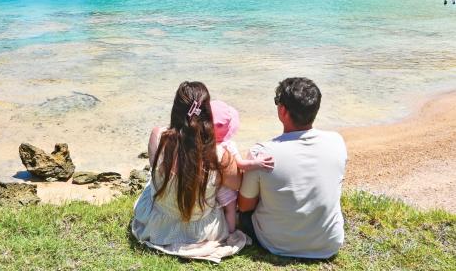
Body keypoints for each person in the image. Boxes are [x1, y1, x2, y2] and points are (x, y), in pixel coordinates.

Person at [131, 81, 249, 262]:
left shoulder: (159, 136)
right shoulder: (218, 154)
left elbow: (157, 171)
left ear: (175, 109)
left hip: (159, 224)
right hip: (202, 231)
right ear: (207, 113)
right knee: (223, 189)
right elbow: (237, 184)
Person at [238, 77, 347, 259]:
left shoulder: (263, 153)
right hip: (329, 242)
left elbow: (245, 206)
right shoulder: (336, 142)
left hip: (275, 243)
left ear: (282, 111)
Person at [211, 100, 274, 233]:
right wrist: (257, 163)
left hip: (211, 186)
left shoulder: (205, 144)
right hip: (227, 188)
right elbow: (241, 164)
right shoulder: (228, 145)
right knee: (230, 210)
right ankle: (231, 232)